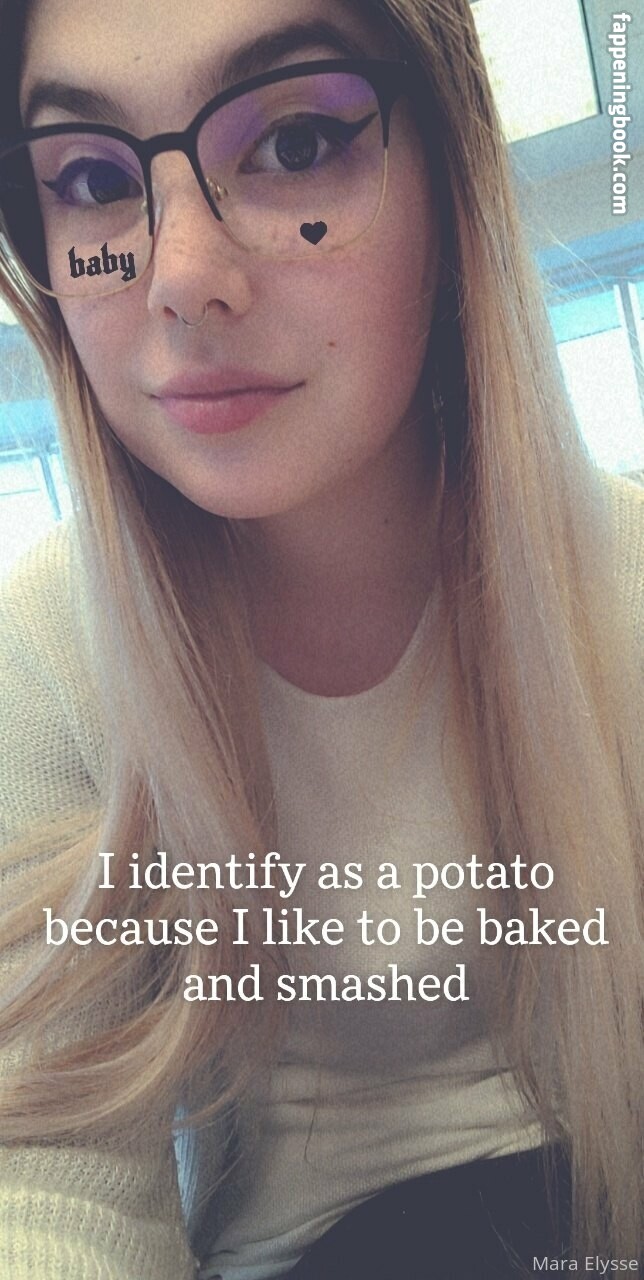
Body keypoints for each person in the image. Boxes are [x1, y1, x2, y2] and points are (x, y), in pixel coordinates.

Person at [0, 0, 642, 1276]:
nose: (180, 275)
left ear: (450, 174)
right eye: (91, 180)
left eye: (293, 144)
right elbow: (50, 1177)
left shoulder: (618, 584)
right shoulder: (48, 655)